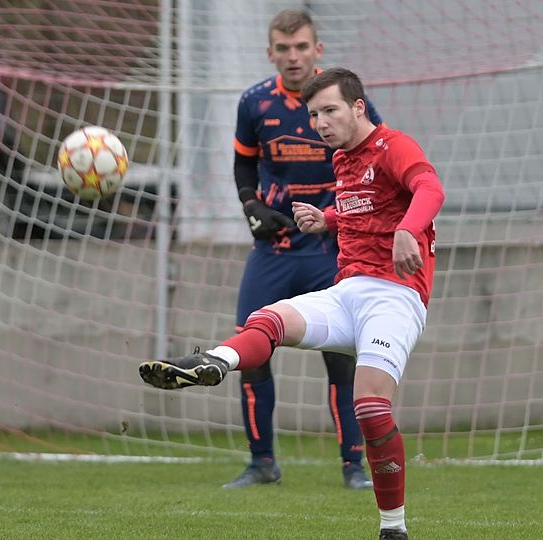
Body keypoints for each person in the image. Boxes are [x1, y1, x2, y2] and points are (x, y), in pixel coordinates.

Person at [140, 67, 443, 540]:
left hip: (395, 297)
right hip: (347, 292)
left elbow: (430, 188)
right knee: (269, 318)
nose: (320, 123)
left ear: (358, 107)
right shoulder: (343, 158)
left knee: (370, 409)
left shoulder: (393, 145)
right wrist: (328, 219)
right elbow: (366, 207)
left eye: (330, 111)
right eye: (314, 115)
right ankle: (215, 361)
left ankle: (393, 528)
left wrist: (408, 229)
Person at [223, 9, 382, 490]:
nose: (293, 56)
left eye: (301, 47)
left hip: (331, 251)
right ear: (270, 53)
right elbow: (243, 165)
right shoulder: (254, 102)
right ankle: (262, 463)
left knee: (341, 356)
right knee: (251, 351)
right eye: (283, 48)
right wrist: (251, 205)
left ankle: (354, 466)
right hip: (273, 251)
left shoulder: (347, 100)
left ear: (318, 49)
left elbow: (376, 160)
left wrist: (346, 216)